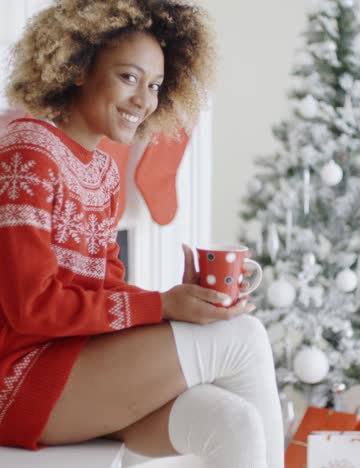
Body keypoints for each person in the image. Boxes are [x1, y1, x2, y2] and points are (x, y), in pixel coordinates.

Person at [0, 1, 285, 467]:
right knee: (245, 336)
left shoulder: (104, 174)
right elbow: (31, 308)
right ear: (78, 68)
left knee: (234, 424)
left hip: (81, 366)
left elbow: (105, 289)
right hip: (20, 381)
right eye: (128, 77)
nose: (143, 100)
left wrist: (179, 302)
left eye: (154, 86)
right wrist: (161, 306)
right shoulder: (29, 150)